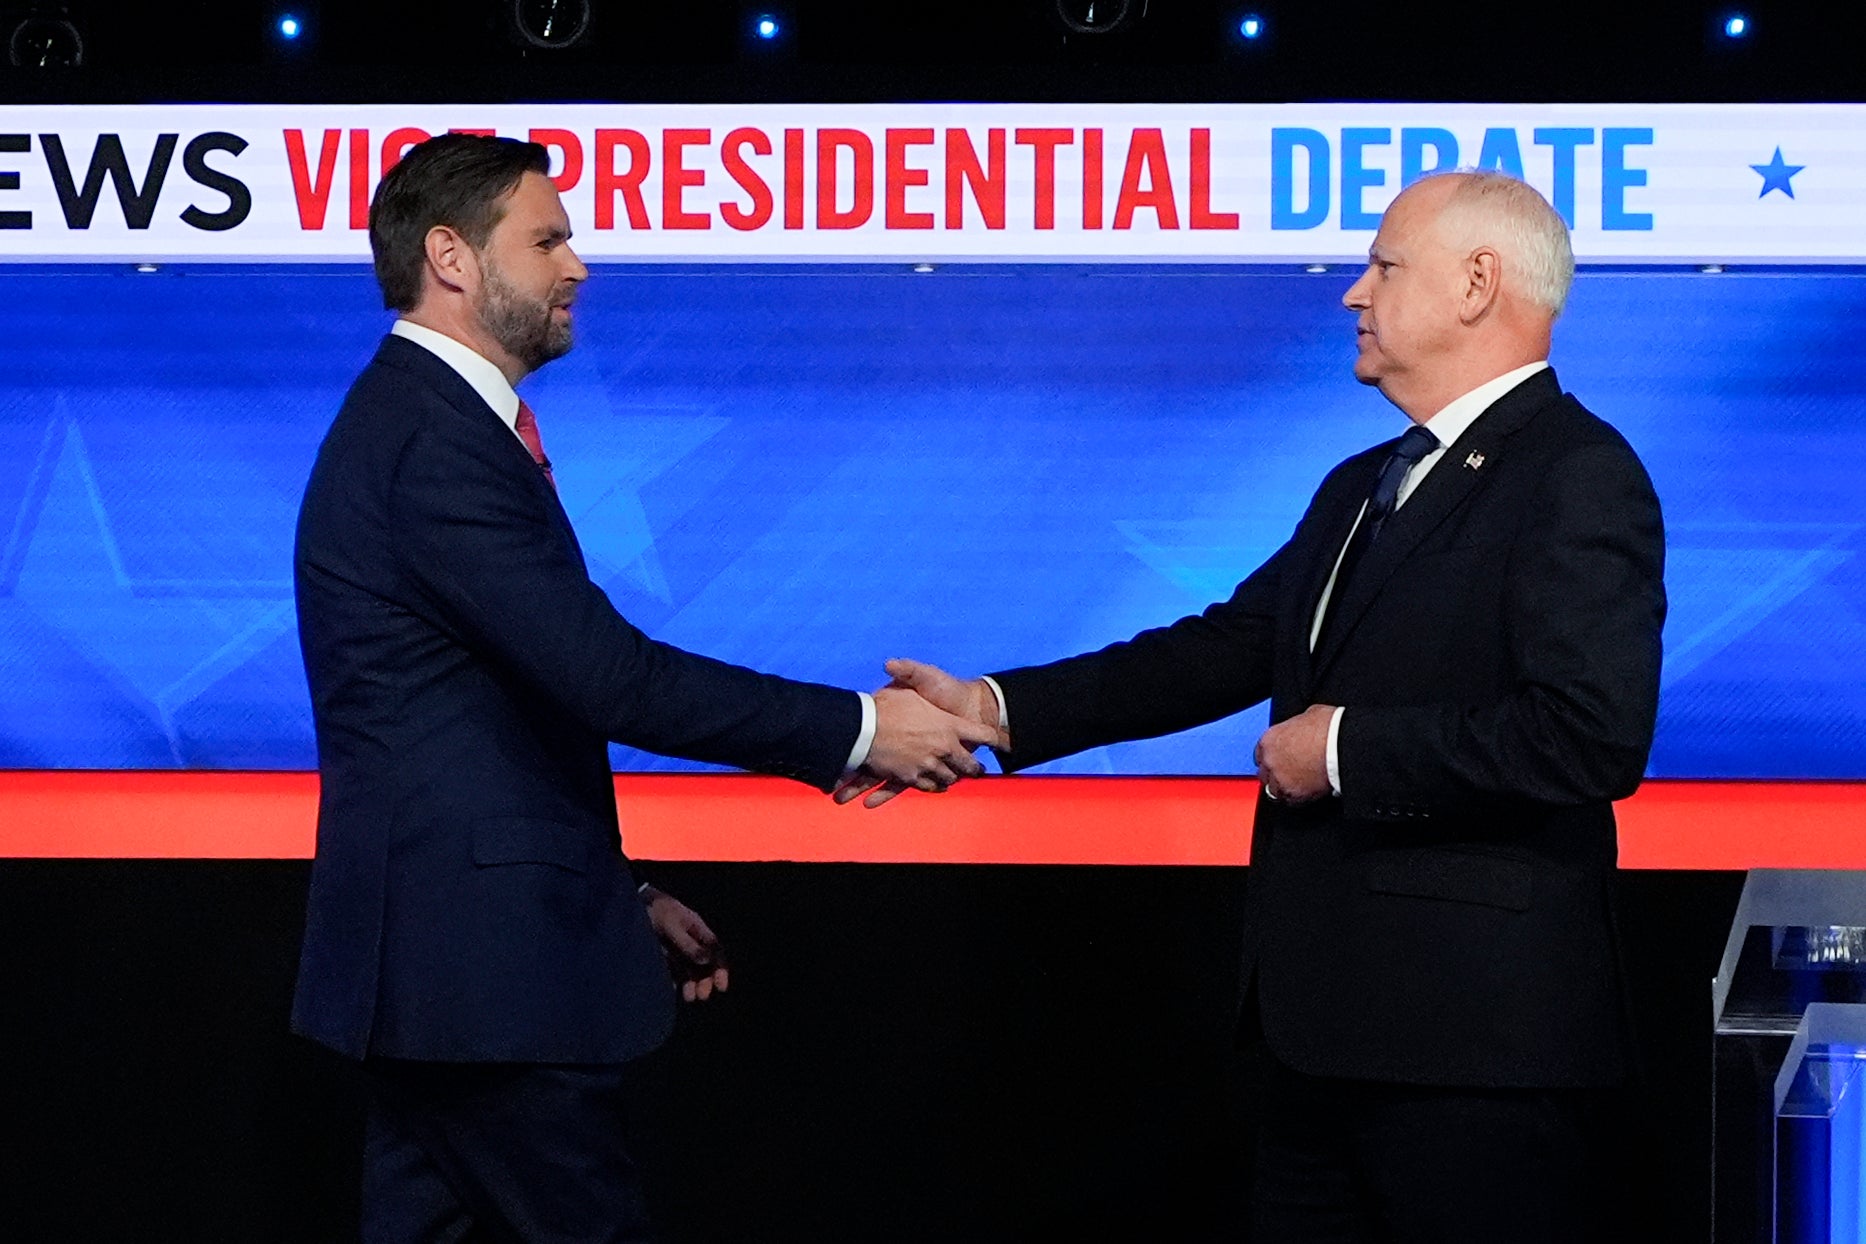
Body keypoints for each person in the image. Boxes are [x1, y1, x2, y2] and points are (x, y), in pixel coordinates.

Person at [861, 170, 1665, 1241]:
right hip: (1319, 1037)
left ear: (1479, 282)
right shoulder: (1359, 482)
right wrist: (1002, 707)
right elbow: (1228, 645)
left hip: (1475, 1050)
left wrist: (1346, 751)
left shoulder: (1577, 472)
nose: (1351, 294)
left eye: (1383, 266)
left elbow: (1588, 733)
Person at [291, 133, 999, 1243]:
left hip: (457, 979)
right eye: (549, 238)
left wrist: (612, 897)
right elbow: (608, 676)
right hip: (486, 991)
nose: (579, 264)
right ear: (452, 257)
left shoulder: (430, 424)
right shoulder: (431, 440)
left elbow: (489, 723)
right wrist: (861, 728)